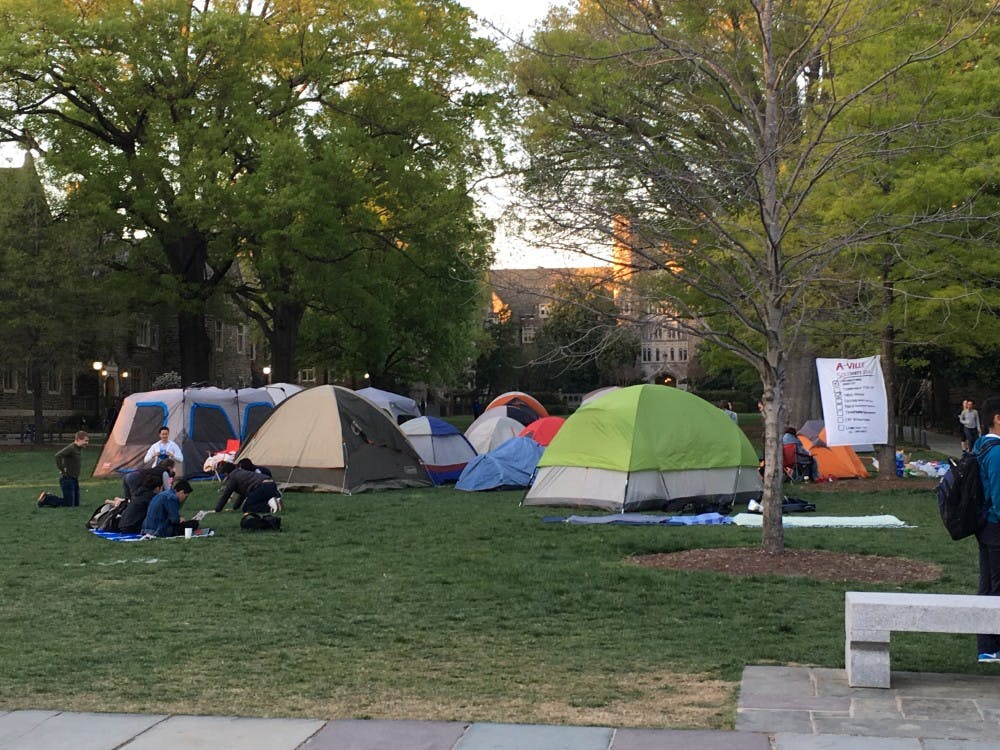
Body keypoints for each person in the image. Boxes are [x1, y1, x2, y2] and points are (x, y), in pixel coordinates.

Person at [975, 396, 1000, 662]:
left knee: (988, 584)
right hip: (996, 524)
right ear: (997, 418)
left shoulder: (981, 447)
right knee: (995, 586)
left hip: (986, 525)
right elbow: (998, 493)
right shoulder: (996, 452)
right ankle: (990, 646)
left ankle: (988, 645)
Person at [37, 431, 90, 507]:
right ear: (78, 439)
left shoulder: (79, 449)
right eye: (86, 441)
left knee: (75, 504)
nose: (87, 443)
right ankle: (46, 498)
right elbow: (58, 456)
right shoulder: (71, 448)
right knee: (68, 504)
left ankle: (48, 498)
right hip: (67, 479)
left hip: (74, 479)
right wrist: (62, 469)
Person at [214, 461, 283, 514]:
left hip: (262, 486)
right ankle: (275, 501)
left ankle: (270, 507)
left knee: (247, 507)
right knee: (255, 501)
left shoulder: (233, 477)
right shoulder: (242, 473)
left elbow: (226, 494)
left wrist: (217, 509)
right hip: (271, 484)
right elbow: (243, 494)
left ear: (226, 472)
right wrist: (235, 507)